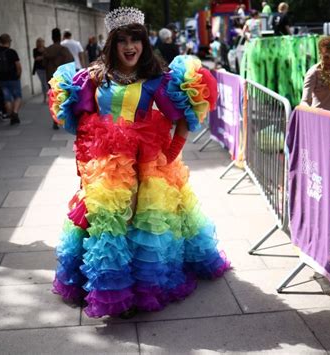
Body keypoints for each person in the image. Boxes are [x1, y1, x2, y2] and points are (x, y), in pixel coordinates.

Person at [47, 6, 230, 318]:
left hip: (145, 162)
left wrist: (173, 151)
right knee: (105, 222)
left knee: (139, 223)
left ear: (145, 44)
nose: (129, 46)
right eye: (122, 40)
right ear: (112, 44)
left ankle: (137, 290)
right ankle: (108, 289)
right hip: (106, 163)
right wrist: (85, 158)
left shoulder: (158, 80)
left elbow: (186, 113)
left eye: (136, 40)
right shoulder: (94, 76)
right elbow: (78, 119)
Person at [301, 36, 330, 114]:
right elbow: (304, 101)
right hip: (320, 120)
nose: (329, 60)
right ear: (320, 54)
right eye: (326, 57)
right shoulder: (313, 73)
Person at [43, 28, 74, 129]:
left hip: (51, 77)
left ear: (52, 37)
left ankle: (55, 119)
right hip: (62, 77)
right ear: (60, 37)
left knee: (53, 97)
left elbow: (43, 64)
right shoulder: (63, 50)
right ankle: (62, 117)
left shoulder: (47, 50)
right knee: (63, 97)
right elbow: (70, 62)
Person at [0, 33, 23, 125]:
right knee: (17, 97)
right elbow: (18, 66)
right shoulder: (12, 52)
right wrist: (18, 76)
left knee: (7, 99)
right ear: (9, 41)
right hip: (13, 78)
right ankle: (15, 112)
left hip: (2, 79)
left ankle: (10, 114)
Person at [33, 37, 48, 103]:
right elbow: (36, 58)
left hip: (46, 68)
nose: (40, 43)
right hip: (39, 69)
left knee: (45, 83)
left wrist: (42, 57)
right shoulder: (35, 50)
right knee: (43, 83)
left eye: (41, 41)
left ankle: (47, 97)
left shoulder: (46, 49)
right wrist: (43, 57)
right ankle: (45, 97)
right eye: (39, 42)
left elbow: (48, 57)